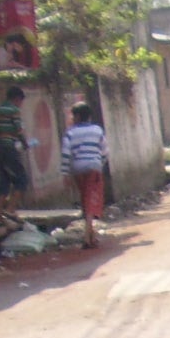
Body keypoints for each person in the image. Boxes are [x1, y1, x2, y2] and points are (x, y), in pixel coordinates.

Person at [60, 102, 107, 248]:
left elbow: (66, 153)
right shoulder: (97, 130)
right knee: (91, 199)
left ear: (78, 116)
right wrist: (100, 163)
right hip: (94, 167)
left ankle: (90, 235)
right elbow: (105, 151)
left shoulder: (70, 132)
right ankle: (87, 236)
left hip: (78, 168)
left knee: (84, 198)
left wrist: (65, 173)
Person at [0, 84, 32, 223]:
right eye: (20, 102)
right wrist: (25, 144)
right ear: (17, 99)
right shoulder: (13, 110)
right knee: (21, 179)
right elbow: (19, 130)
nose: (20, 105)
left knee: (3, 182)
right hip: (8, 148)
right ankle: (10, 210)